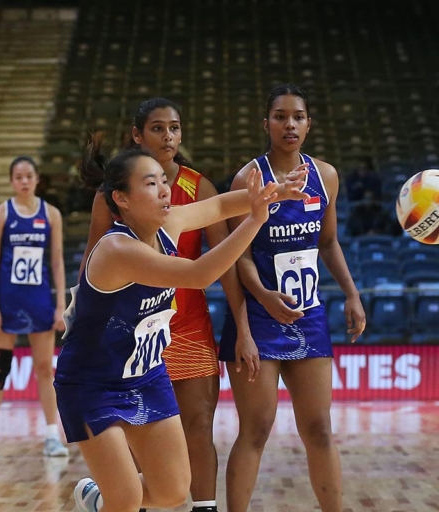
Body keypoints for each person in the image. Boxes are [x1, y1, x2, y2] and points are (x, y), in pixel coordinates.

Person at [59, 140, 309, 512]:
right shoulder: (117, 250)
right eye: (150, 183)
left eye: (164, 180)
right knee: (126, 499)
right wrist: (256, 219)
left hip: (145, 375)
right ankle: (108, 497)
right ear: (122, 200)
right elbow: (199, 273)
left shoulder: (168, 223)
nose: (164, 190)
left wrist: (274, 194)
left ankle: (96, 498)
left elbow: (220, 205)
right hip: (93, 383)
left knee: (174, 492)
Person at [78, 98, 258, 512]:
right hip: (130, 332)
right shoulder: (113, 199)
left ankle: (204, 506)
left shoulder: (197, 188)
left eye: (175, 128)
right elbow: (91, 268)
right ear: (137, 136)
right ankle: (120, 499)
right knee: (140, 435)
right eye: (158, 129)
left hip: (188, 324)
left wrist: (242, 327)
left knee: (197, 427)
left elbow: (226, 266)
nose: (169, 136)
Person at [219, 84, 366, 512]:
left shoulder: (327, 175)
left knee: (319, 428)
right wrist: (263, 296)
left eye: (298, 116)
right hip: (259, 317)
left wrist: (352, 294)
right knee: (256, 428)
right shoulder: (249, 179)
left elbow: (329, 242)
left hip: (309, 316)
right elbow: (237, 255)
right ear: (266, 124)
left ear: (308, 124)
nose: (290, 124)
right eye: (280, 116)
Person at [0, 156, 69, 459]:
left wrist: (60, 306)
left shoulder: (51, 214)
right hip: (9, 302)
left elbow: (56, 262)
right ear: (11, 181)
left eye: (29, 176)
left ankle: (51, 436)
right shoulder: (1, 214)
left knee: (45, 369)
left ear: (37, 178)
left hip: (40, 301)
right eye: (19, 177)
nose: (24, 181)